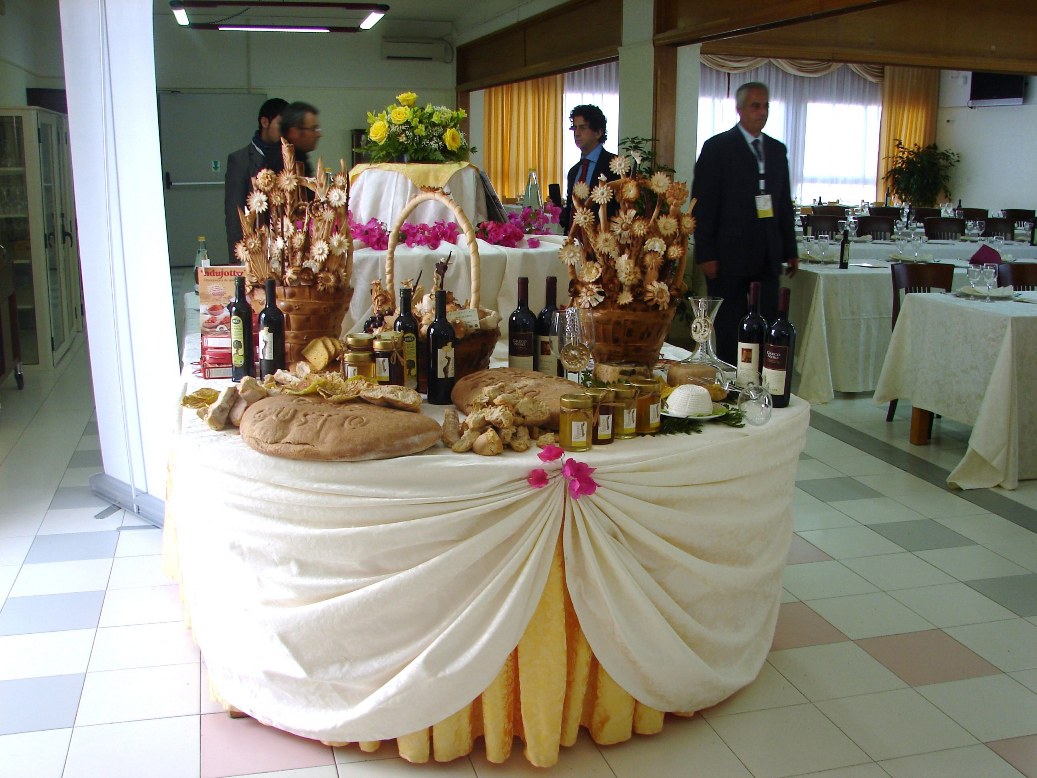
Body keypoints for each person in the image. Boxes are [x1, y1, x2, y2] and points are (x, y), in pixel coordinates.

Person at [692, 81, 798, 364]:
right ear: (739, 109)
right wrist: (706, 253)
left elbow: (783, 203)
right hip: (728, 259)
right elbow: (702, 205)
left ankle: (764, 379)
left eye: (766, 106)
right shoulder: (718, 148)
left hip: (767, 256)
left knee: (768, 324)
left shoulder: (776, 150)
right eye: (755, 106)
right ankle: (731, 378)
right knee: (731, 328)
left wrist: (790, 249)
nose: (762, 112)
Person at [224, 97, 288, 263]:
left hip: (286, 250)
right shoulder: (240, 160)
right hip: (254, 250)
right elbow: (235, 217)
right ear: (265, 122)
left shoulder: (290, 159)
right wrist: (239, 262)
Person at [559, 104, 619, 233]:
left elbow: (620, 211)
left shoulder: (615, 166)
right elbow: (570, 213)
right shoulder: (574, 172)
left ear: (598, 132)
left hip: (603, 240)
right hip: (573, 242)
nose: (577, 133)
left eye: (583, 128)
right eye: (574, 128)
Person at [279, 101, 322, 178]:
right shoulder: (280, 165)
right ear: (294, 132)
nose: (319, 135)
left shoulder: (301, 157)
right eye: (313, 129)